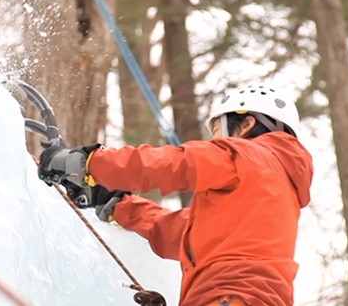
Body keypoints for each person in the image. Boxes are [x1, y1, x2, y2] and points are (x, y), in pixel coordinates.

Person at [38, 84, 313, 306]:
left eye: (219, 132)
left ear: (247, 124)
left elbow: (175, 164)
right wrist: (118, 204)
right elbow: (183, 232)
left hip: (230, 294)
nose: (216, 142)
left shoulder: (247, 155)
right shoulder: (273, 192)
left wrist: (90, 163)